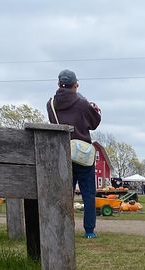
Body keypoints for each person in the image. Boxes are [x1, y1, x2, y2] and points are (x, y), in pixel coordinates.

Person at [46, 69, 101, 238]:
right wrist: (96, 110)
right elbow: (94, 123)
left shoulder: (51, 104)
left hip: (62, 152)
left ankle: (62, 227)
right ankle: (89, 231)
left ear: (58, 84)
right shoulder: (82, 103)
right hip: (83, 154)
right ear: (75, 84)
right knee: (88, 193)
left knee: (64, 193)